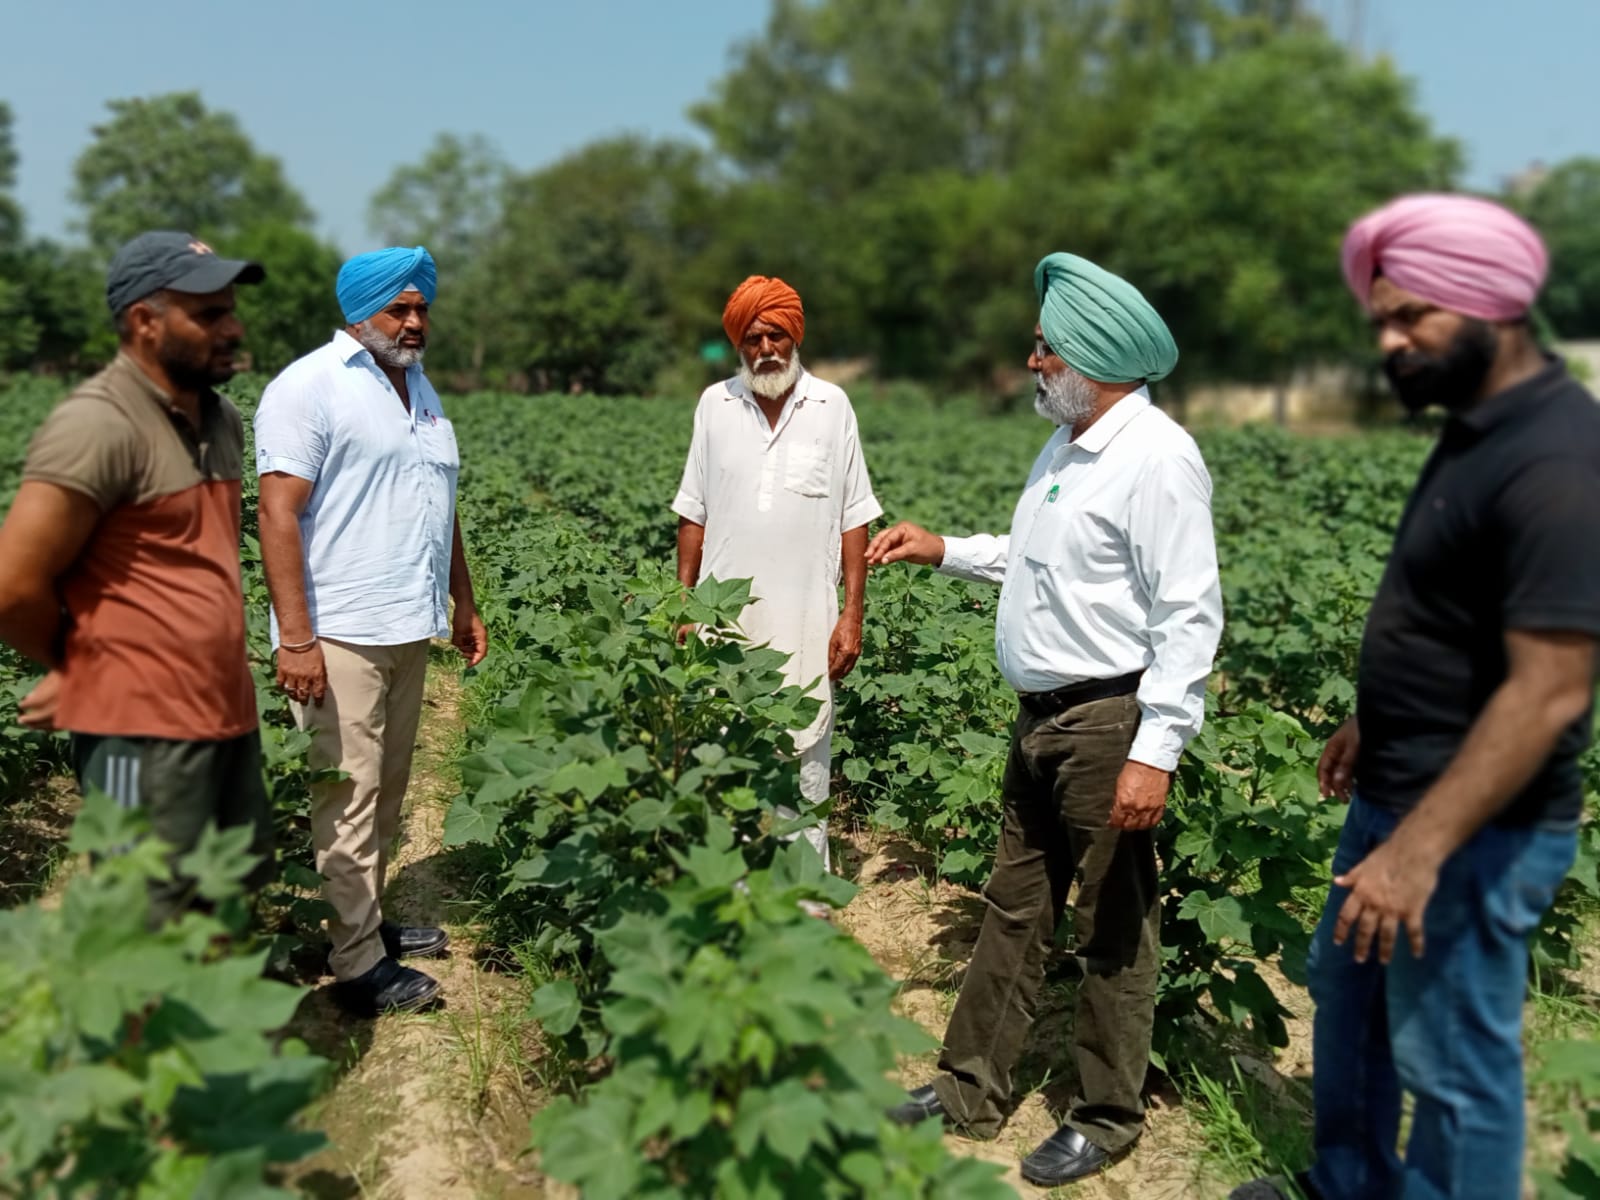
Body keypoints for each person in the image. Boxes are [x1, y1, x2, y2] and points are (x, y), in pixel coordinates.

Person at [1231, 195, 1600, 1200]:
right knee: (1347, 1001)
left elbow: (1551, 690)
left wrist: (1419, 852)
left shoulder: (1560, 460)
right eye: (1381, 322)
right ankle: (1347, 1181)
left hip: (1472, 832)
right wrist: (1374, 718)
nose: (1389, 342)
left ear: (1493, 309)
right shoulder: (1480, 427)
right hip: (1399, 793)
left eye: (1412, 318)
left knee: (1454, 1073)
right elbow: (1456, 612)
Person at [869, 253, 1223, 1188]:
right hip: (1041, 722)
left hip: (1109, 726)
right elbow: (1032, 556)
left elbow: (1190, 616)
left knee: (1113, 927)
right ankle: (969, 1087)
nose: (1032, 364)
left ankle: (1106, 1116)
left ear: (1092, 356)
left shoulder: (1157, 459)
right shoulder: (1069, 445)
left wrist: (1156, 752)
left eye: (1043, 349)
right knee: (1016, 911)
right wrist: (945, 549)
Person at [0, 231, 271, 920]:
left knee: (220, 903)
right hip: (140, 731)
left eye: (231, 310)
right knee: (142, 918)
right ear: (145, 322)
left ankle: (213, 1021)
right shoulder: (98, 424)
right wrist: (76, 662)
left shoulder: (223, 420)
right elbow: (12, 587)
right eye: (208, 315)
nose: (232, 328)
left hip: (225, 712)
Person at [255, 246, 488, 1017]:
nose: (416, 321)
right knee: (348, 798)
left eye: (422, 308)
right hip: (341, 629)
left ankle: (367, 926)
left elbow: (439, 503)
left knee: (385, 792)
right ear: (361, 311)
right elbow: (277, 512)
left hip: (406, 622)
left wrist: (464, 600)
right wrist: (296, 638)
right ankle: (355, 969)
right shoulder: (310, 387)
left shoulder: (419, 390)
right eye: (401, 308)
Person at [671, 275, 882, 886]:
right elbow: (693, 511)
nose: (767, 347)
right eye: (755, 336)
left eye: (778, 335)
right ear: (739, 343)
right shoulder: (715, 405)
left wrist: (852, 613)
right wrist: (684, 604)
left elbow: (854, 518)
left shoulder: (831, 406)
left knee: (807, 745)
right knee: (725, 744)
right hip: (724, 616)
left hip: (807, 614)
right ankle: (732, 880)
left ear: (795, 338)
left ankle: (805, 882)